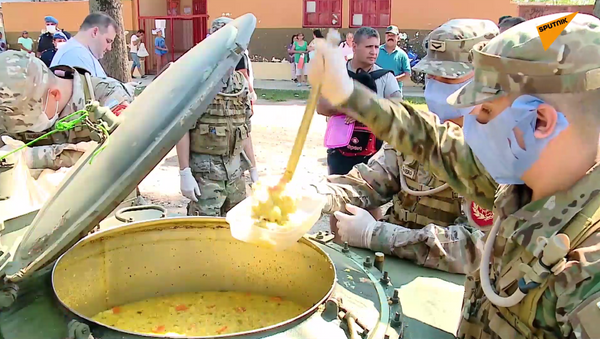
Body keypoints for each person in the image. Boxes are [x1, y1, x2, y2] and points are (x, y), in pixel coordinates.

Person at [309, 13, 600, 339]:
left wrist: (374, 233)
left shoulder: (588, 269)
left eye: (487, 109)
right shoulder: (520, 184)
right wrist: (348, 93)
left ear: (540, 122)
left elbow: (469, 244)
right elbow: (427, 139)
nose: (471, 117)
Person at [311, 20, 498, 272]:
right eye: (431, 76)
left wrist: (375, 234)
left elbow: (473, 248)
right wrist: (313, 197)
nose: (435, 84)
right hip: (394, 270)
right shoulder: (417, 133)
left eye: (447, 77)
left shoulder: (500, 148)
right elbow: (369, 182)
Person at [0, 50, 134, 170]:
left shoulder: (107, 96)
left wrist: (32, 158)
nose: (29, 128)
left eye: (30, 122)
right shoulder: (10, 107)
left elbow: (122, 152)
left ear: (54, 94)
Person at [176, 20, 255, 217]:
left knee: (237, 233)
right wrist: (184, 172)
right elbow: (181, 128)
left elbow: (245, 130)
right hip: (206, 176)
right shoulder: (197, 82)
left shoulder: (240, 84)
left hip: (236, 173)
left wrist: (253, 168)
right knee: (203, 237)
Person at [51, 12, 118, 77]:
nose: (109, 48)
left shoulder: (80, 53)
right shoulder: (76, 55)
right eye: (108, 41)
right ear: (95, 32)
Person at [376, 25, 411, 98]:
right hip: (376, 91)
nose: (390, 37)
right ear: (385, 37)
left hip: (394, 92)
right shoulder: (376, 51)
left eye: (393, 35)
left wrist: (391, 80)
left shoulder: (402, 55)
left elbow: (407, 74)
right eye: (388, 35)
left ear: (398, 38)